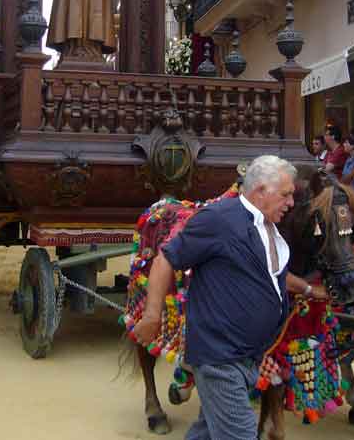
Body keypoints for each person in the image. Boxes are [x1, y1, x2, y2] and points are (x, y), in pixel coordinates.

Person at [133, 156, 328, 439]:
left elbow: (272, 276)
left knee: (207, 433)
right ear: (260, 190)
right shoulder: (219, 218)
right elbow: (166, 259)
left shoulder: (270, 230)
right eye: (285, 195)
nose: (291, 203)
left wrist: (309, 290)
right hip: (220, 358)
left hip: (248, 358)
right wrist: (152, 316)